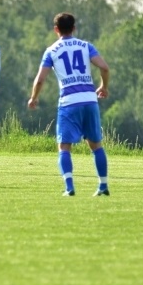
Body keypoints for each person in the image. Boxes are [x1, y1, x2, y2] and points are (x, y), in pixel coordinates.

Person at [27, 12, 110, 196]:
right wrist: (103, 86)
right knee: (96, 145)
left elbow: (40, 79)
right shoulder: (86, 46)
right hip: (89, 100)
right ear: (74, 28)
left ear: (56, 29)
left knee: (64, 146)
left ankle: (69, 187)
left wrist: (34, 97)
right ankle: (103, 186)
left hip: (69, 102)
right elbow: (104, 67)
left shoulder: (51, 50)